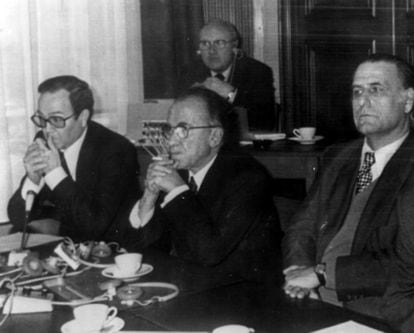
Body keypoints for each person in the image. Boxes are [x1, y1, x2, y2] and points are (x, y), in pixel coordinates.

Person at [282, 54, 414, 324]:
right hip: (314, 302)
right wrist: (299, 276)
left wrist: (321, 275)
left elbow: (405, 265)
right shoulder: (338, 156)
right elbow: (301, 226)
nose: (362, 102)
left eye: (376, 90)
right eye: (357, 92)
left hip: (383, 313)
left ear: (408, 100)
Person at [129, 87, 281, 281]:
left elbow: (209, 253)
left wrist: (178, 190)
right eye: (169, 130)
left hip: (241, 293)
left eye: (183, 130)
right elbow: (150, 250)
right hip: (194, 285)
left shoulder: (248, 177)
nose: (172, 141)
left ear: (214, 137)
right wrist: (148, 198)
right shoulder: (180, 172)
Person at [8, 75, 140, 244]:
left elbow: (95, 225)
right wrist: (32, 179)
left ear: (83, 117)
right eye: (42, 119)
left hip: (116, 250)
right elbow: (18, 218)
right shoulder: (45, 139)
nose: (47, 129)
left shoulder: (116, 149)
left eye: (56, 119)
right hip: (72, 246)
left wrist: (55, 174)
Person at [177, 19, 276, 131]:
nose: (211, 51)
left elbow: (266, 121)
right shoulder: (190, 72)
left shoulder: (257, 72)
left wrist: (231, 94)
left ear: (234, 46)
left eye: (219, 43)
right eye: (205, 43)